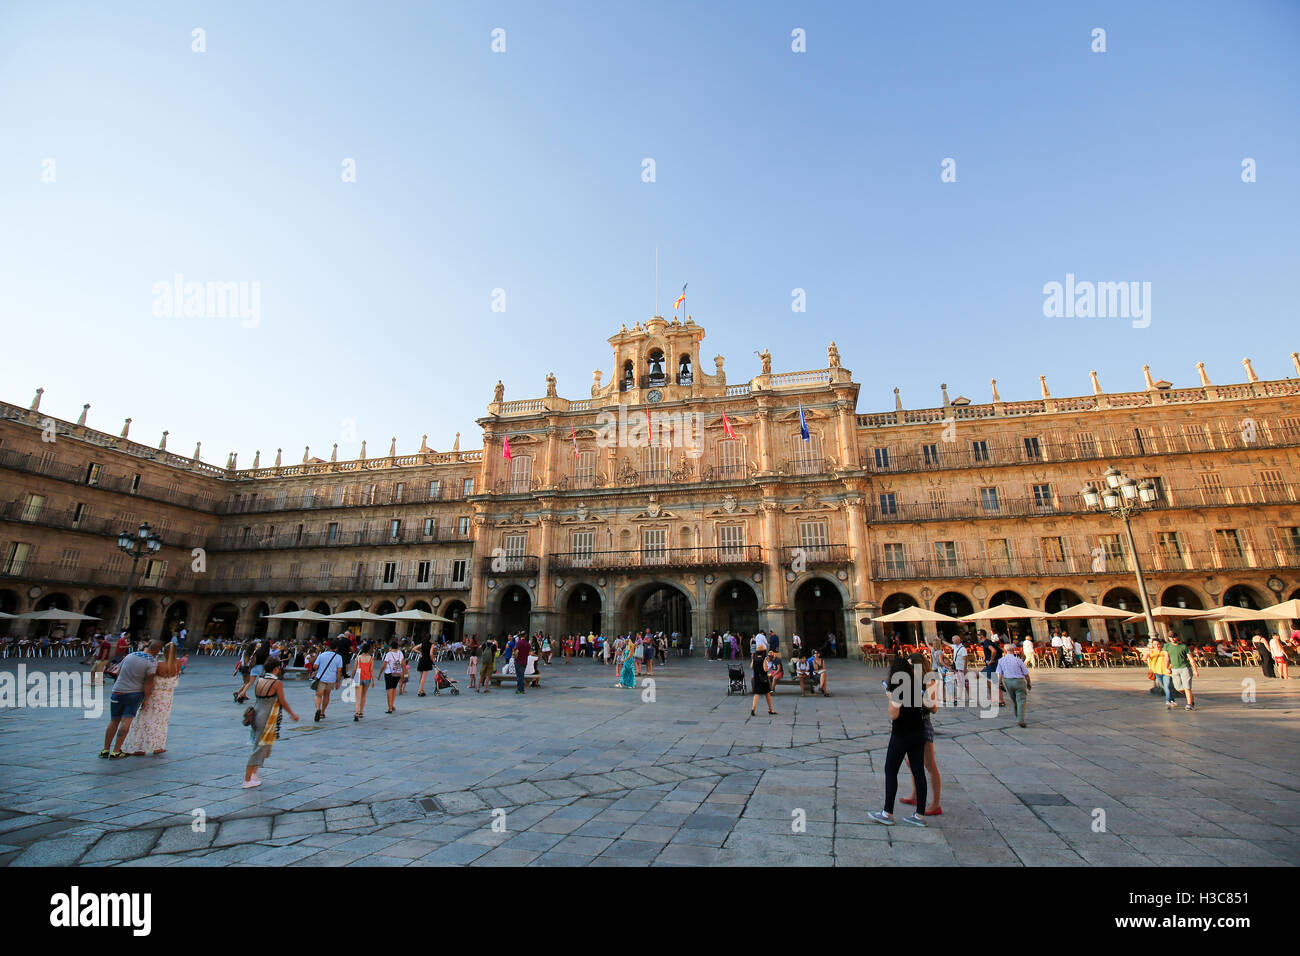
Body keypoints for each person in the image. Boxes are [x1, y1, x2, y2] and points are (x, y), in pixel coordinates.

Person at [869, 655, 935, 827]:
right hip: (919, 732)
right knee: (919, 772)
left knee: (891, 771)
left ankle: (887, 813)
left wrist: (890, 697)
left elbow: (894, 714)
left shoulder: (898, 686)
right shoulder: (916, 685)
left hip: (901, 734)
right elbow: (928, 706)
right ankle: (920, 815)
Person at [243, 656, 300, 788]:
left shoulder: (260, 680)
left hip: (256, 713)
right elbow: (282, 701)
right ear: (275, 669)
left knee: (265, 745)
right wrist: (292, 714)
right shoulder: (276, 683)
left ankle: (254, 773)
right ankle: (247, 779)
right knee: (259, 747)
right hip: (267, 716)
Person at [100, 639, 161, 759]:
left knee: (113, 720)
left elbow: (117, 672)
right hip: (134, 693)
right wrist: (147, 698)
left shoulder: (129, 655)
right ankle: (116, 751)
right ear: (157, 650)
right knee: (126, 721)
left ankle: (105, 750)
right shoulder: (152, 662)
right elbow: (148, 682)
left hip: (117, 691)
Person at [900, 652, 942, 815]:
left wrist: (922, 698)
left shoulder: (928, 682)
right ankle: (915, 795)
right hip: (909, 724)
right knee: (911, 762)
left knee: (930, 765)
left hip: (922, 725)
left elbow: (934, 708)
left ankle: (935, 804)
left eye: (911, 665)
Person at [123, 643, 181, 755]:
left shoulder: (158, 665)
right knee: (161, 721)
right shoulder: (178, 664)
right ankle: (157, 746)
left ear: (164, 652)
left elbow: (149, 682)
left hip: (154, 696)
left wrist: (145, 698)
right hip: (167, 698)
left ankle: (139, 747)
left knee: (144, 720)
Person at [997, 644, 1032, 727]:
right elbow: (1026, 674)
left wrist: (1000, 683)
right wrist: (1029, 683)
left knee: (1015, 700)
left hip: (1008, 682)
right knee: (1021, 700)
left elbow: (999, 673)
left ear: (1004, 652)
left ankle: (1018, 717)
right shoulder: (1018, 660)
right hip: (1019, 681)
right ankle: (1020, 719)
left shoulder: (1001, 660)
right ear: (1013, 651)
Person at [1162, 633, 1198, 710]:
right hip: (1174, 669)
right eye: (1170, 637)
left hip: (1185, 668)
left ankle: (1189, 704)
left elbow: (1191, 659)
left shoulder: (1183, 646)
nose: (1172, 638)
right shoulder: (1167, 646)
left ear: (1177, 637)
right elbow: (1166, 658)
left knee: (1187, 687)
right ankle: (1191, 698)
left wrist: (1195, 670)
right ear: (1168, 638)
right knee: (1178, 687)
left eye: (1174, 637)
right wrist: (1166, 667)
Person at [312, 641, 344, 721]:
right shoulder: (339, 657)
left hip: (321, 677)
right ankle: (322, 713)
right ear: (336, 649)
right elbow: (339, 671)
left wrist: (320, 668)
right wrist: (338, 681)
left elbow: (315, 666)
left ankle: (318, 709)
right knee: (327, 695)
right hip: (331, 679)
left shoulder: (322, 655)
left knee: (319, 695)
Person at [349, 642, 374, 720]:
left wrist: (352, 677)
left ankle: (356, 712)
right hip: (367, 677)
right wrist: (373, 680)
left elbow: (354, 669)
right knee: (364, 695)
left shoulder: (358, 657)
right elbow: (371, 670)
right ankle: (361, 712)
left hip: (358, 677)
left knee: (358, 696)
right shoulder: (371, 658)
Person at [979, 630, 1005, 705]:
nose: (977, 636)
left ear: (981, 635)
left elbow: (993, 651)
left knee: (994, 681)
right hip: (993, 664)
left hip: (992, 664)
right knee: (989, 680)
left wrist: (991, 660)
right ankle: (995, 699)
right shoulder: (987, 642)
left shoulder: (986, 642)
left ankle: (999, 700)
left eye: (978, 634)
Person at [750, 646, 776, 716]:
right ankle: (771, 709)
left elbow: (751, 666)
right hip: (764, 679)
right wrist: (768, 667)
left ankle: (753, 709)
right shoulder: (763, 659)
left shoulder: (754, 659)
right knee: (767, 694)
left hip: (757, 679)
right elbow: (765, 669)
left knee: (757, 694)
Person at [380, 640, 404, 712]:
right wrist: (404, 673)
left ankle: (390, 707)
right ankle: (392, 705)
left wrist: (379, 674)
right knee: (394, 689)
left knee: (389, 690)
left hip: (389, 673)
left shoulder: (389, 654)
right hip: (397, 673)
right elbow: (403, 664)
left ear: (391, 647)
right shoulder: (400, 653)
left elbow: (384, 665)